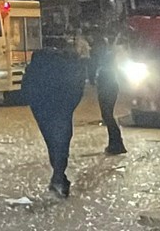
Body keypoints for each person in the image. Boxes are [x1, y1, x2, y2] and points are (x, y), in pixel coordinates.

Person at [23, 37, 89, 198]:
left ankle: (59, 177)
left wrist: (36, 105)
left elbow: (26, 87)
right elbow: (77, 88)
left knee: (53, 143)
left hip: (43, 109)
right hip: (61, 109)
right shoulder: (69, 64)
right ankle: (59, 177)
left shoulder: (39, 63)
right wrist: (68, 107)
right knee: (62, 142)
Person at [93, 28, 127, 155]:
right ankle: (115, 143)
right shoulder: (107, 57)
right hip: (109, 87)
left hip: (108, 88)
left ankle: (117, 144)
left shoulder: (107, 57)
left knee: (107, 116)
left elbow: (112, 51)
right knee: (107, 116)